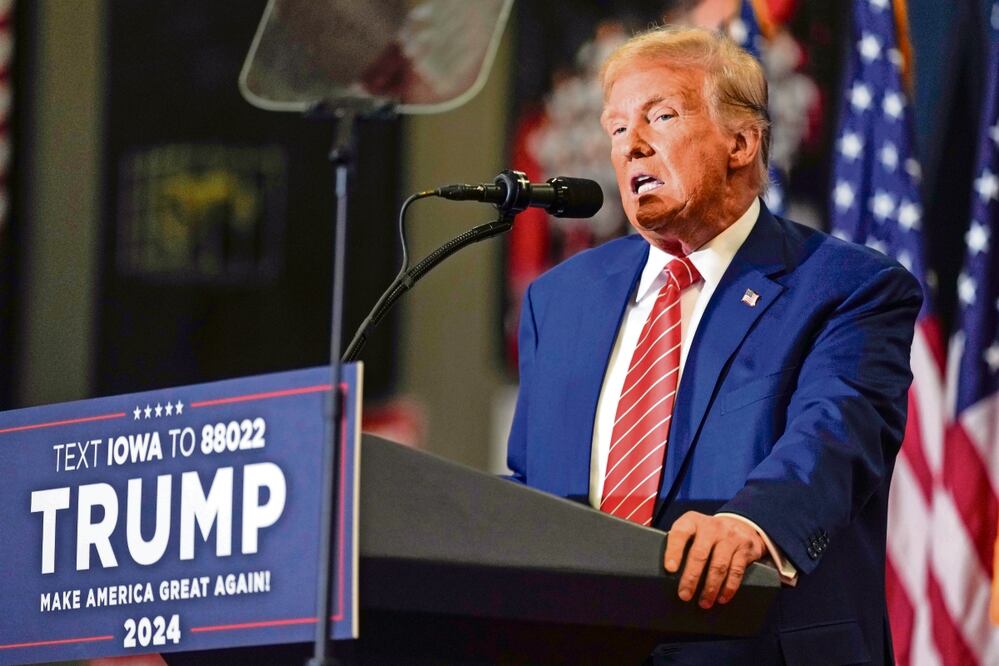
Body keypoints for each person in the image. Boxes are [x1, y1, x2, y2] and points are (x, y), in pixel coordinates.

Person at [506, 26, 921, 664]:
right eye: (617, 130)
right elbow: (529, 490)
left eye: (660, 116)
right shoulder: (559, 300)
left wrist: (752, 523)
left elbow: (836, 435)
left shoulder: (846, 288)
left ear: (741, 141)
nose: (631, 146)